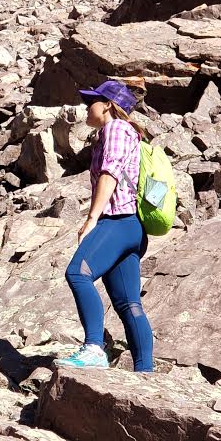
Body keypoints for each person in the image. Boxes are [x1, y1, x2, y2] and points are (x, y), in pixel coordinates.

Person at [57, 78, 154, 372]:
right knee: (128, 303)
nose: (86, 107)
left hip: (118, 220)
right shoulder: (130, 133)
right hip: (132, 228)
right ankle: (145, 372)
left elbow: (109, 175)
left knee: (77, 273)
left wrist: (91, 219)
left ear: (109, 105)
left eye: (92, 102)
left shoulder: (114, 129)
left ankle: (94, 349)